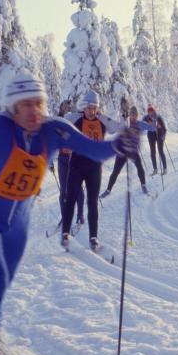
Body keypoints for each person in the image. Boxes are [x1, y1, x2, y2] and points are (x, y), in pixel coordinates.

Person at [0, 71, 139, 355]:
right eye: (26, 105)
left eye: (39, 103)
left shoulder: (54, 130)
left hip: (19, 222)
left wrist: (119, 144)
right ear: (13, 108)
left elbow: (94, 149)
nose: (34, 111)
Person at [60, 91, 125, 252]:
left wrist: (125, 113)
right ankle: (65, 233)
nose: (92, 111)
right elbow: (58, 124)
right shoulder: (75, 118)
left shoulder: (103, 119)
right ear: (84, 107)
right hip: (76, 163)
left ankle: (93, 238)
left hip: (95, 166)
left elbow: (121, 128)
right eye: (89, 108)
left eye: (95, 108)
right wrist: (61, 112)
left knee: (92, 201)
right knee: (71, 198)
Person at [101, 105, 156, 197]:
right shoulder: (125, 123)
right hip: (122, 152)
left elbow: (152, 128)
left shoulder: (140, 124)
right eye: (133, 115)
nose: (134, 117)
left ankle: (143, 186)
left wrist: (154, 120)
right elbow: (112, 131)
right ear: (130, 115)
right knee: (116, 171)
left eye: (136, 115)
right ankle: (108, 190)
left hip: (133, 151)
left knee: (140, 167)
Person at [55, 101, 84, 232]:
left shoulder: (79, 123)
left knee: (78, 188)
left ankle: (80, 215)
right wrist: (61, 112)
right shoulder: (62, 124)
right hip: (62, 158)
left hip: (76, 159)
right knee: (63, 191)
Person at [142, 105, 167, 175]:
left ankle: (165, 168)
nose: (150, 113)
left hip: (159, 134)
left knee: (160, 151)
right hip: (151, 135)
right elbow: (140, 125)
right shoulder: (146, 118)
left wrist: (163, 136)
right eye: (149, 111)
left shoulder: (158, 117)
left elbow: (164, 129)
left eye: (152, 111)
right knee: (152, 152)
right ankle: (155, 169)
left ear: (154, 111)